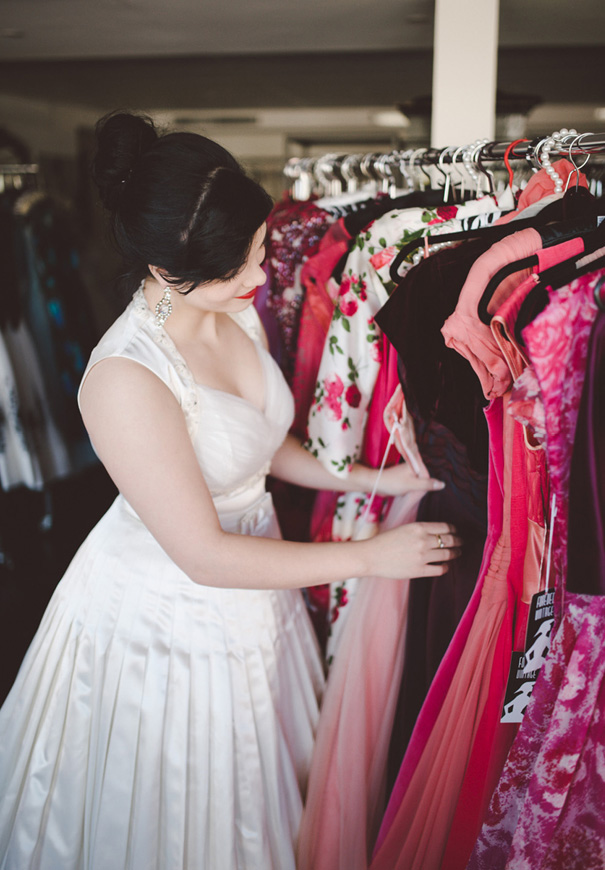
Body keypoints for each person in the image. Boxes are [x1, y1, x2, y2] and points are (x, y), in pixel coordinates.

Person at [0, 112, 460, 870]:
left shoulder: (231, 310)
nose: (259, 279)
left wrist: (363, 476)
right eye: (239, 267)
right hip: (171, 618)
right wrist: (371, 557)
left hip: (260, 585)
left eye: (256, 255)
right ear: (166, 268)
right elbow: (205, 556)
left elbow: (253, 440)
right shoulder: (124, 378)